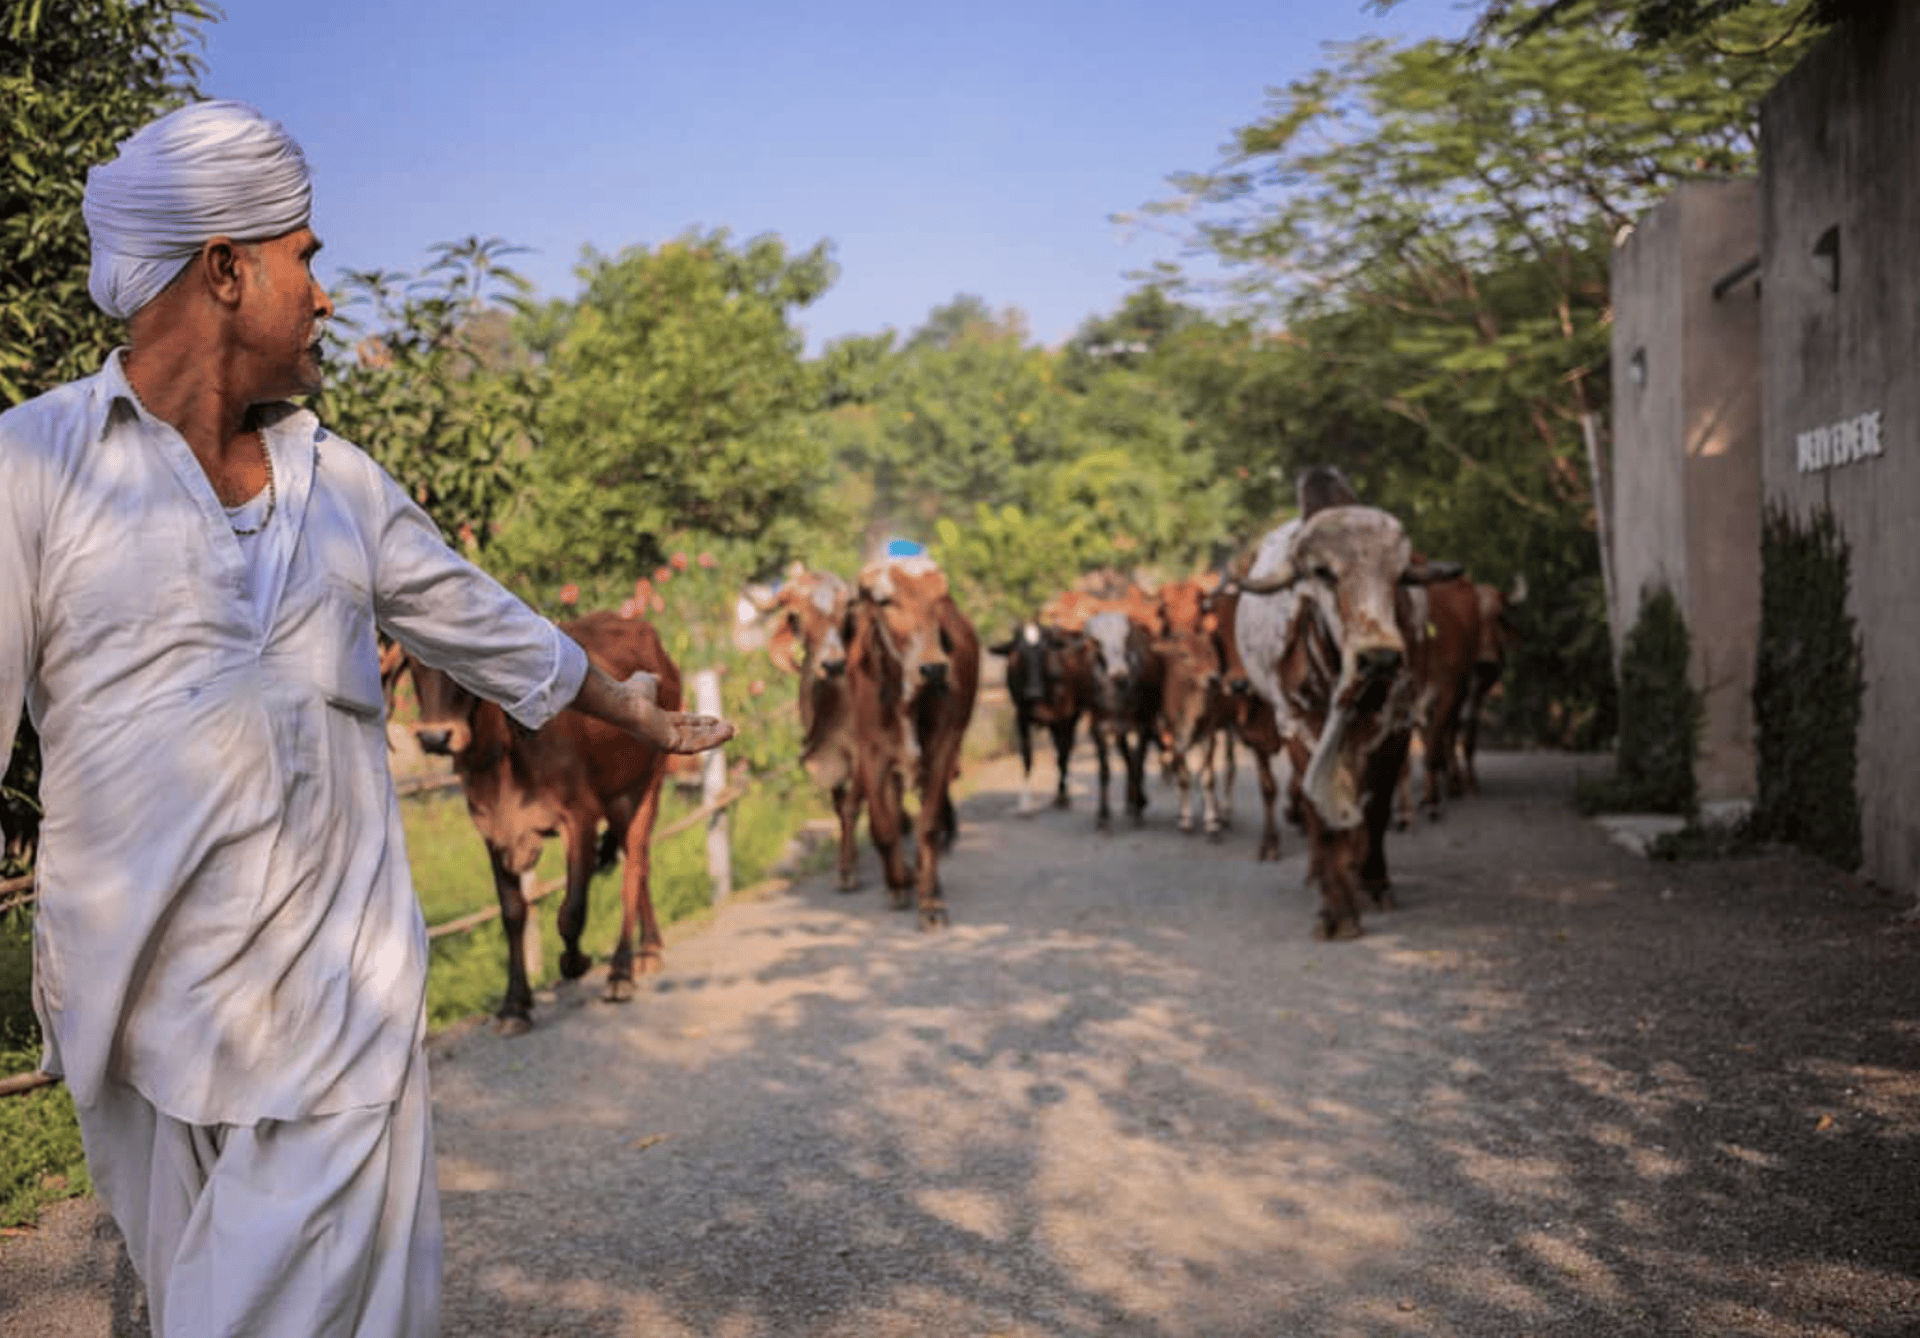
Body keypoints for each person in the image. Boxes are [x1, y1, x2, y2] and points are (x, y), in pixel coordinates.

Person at [0, 100, 735, 1337]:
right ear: (226, 270)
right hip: (132, 1016)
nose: (325, 294)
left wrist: (632, 712)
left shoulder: (340, 483)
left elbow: (480, 617)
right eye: (309, 257)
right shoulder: (33, 467)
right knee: (198, 1297)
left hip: (340, 1000)